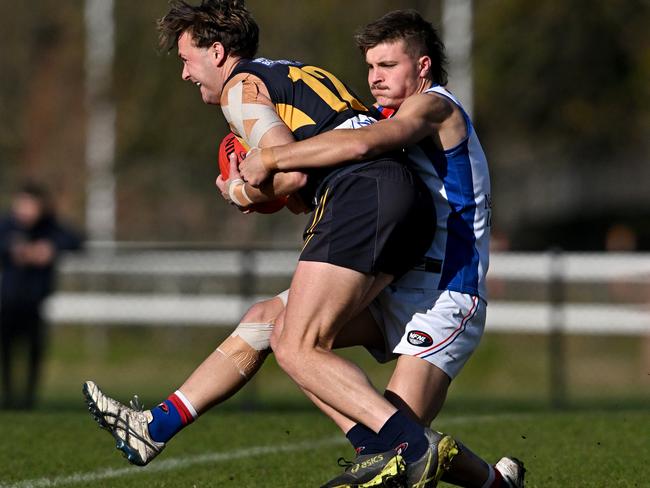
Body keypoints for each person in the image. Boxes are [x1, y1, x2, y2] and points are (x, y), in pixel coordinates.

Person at [84, 2, 448, 487]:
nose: (185, 74)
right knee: (267, 322)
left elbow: (289, 170)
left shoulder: (242, 87)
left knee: (297, 345)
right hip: (399, 199)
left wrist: (238, 191)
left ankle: (409, 446)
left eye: (187, 59)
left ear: (218, 52)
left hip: (364, 196)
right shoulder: (292, 72)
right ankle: (155, 426)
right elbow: (303, 183)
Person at [238, 8, 525, 488]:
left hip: (446, 297)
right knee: (287, 332)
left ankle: (430, 469)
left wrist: (270, 156)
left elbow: (367, 144)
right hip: (398, 287)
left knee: (400, 447)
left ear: (423, 67)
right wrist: (249, 190)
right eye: (370, 67)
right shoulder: (387, 115)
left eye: (387, 65)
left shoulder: (437, 107)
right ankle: (480, 480)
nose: (374, 78)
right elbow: (320, 176)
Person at [0, 182, 83, 409]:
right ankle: (8, 397)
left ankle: (28, 399)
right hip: (7, 302)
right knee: (6, 351)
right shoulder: (7, 226)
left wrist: (50, 247)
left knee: (33, 352)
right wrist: (12, 249)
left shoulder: (49, 228)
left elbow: (76, 239)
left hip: (35, 302)